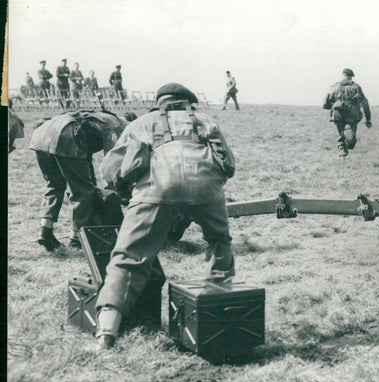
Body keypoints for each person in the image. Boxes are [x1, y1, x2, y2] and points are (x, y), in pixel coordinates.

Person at [94, 83, 236, 349]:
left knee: (128, 256)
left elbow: (111, 169)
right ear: (188, 103)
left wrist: (127, 192)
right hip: (207, 189)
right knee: (219, 241)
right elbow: (228, 164)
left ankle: (106, 331)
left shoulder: (143, 123)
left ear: (161, 103)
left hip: (157, 189)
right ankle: (217, 313)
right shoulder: (205, 121)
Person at [28, 108, 133, 251]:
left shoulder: (95, 116)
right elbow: (112, 160)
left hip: (41, 137)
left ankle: (45, 230)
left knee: (54, 184)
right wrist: (114, 188)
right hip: (65, 137)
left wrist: (93, 183)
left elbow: (85, 152)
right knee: (82, 192)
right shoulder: (117, 125)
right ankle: (76, 239)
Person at [323, 68, 372, 157]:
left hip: (337, 115)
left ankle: (342, 150)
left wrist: (335, 106)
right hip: (351, 115)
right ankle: (345, 150)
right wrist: (368, 119)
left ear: (342, 75)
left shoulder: (334, 87)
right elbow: (364, 103)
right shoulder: (356, 87)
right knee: (351, 139)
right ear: (350, 77)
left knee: (341, 134)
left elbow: (325, 104)